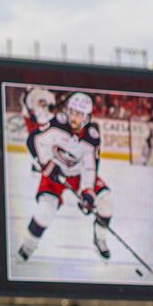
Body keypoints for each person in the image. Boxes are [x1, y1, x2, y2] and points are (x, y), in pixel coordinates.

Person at [16, 88, 113, 263]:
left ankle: (100, 238)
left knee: (106, 204)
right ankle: (28, 245)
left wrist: (87, 192)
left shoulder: (92, 137)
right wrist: (46, 163)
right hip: (55, 172)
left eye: (80, 114)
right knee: (45, 211)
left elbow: (90, 168)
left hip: (77, 175)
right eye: (72, 112)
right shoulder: (57, 123)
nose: (74, 118)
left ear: (88, 118)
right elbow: (33, 140)